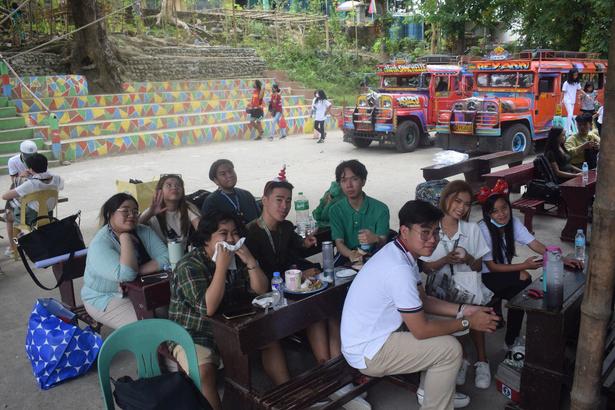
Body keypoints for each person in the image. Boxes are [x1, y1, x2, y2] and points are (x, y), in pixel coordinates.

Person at [341, 200, 499, 410]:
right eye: (425, 232)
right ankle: (435, 402)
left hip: (375, 336)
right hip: (369, 351)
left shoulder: (401, 253)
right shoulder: (398, 269)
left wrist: (464, 310)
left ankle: (433, 391)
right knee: (449, 349)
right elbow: (421, 330)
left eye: (436, 232)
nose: (432, 240)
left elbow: (422, 300)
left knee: (446, 322)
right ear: (405, 231)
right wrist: (468, 322)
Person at [169, 211, 288, 409]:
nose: (231, 240)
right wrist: (221, 268)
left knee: (270, 341)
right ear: (207, 239)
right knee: (204, 373)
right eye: (223, 234)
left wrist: (251, 262)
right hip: (194, 332)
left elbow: (261, 290)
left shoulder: (237, 256)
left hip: (230, 326)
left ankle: (288, 397)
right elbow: (207, 308)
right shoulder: (188, 266)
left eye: (234, 233)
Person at [245, 169, 342, 371]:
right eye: (279, 200)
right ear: (264, 200)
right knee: (316, 309)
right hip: (266, 300)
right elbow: (260, 278)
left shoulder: (286, 227)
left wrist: (306, 243)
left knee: (326, 306)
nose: (285, 206)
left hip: (291, 293)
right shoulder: (251, 233)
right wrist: (299, 275)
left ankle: (330, 367)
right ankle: (329, 368)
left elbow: (296, 245)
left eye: (288, 201)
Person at [476, 181, 583, 349]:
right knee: (523, 280)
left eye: (504, 208)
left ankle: (511, 341)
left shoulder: (513, 222)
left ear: (509, 207)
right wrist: (524, 266)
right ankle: (511, 340)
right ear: (488, 214)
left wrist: (561, 259)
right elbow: (492, 267)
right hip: (483, 276)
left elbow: (534, 244)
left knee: (520, 292)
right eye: (495, 211)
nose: (501, 214)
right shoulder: (483, 230)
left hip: (499, 273)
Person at [421, 180, 493, 390]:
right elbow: (426, 268)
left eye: (467, 204)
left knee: (475, 319)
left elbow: (478, 266)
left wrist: (468, 257)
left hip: (468, 286)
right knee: (453, 326)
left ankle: (482, 362)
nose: (461, 208)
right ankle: (462, 360)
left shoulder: (472, 229)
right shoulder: (432, 229)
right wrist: (445, 260)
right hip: (440, 291)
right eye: (457, 201)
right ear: (446, 199)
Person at [81, 193, 169, 330]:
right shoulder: (100, 243)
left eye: (135, 211)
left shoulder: (143, 231)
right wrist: (125, 238)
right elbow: (126, 275)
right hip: (105, 298)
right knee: (146, 328)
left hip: (141, 290)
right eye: (125, 210)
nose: (131, 215)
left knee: (170, 315)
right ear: (110, 214)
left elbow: (166, 257)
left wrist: (138, 271)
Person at [328, 160, 390, 267]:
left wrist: (376, 239)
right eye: (344, 180)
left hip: (375, 255)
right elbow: (339, 243)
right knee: (329, 275)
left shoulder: (381, 209)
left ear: (363, 181)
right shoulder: (335, 210)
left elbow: (383, 241)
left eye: (354, 179)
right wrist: (351, 254)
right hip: (347, 254)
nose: (349, 185)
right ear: (339, 184)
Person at [2, 153, 64, 228]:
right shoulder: (57, 179)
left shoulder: (31, 184)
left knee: (8, 216)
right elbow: (60, 187)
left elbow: (5, 196)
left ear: (30, 169)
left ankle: (17, 235)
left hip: (32, 218)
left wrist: (19, 178)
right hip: (49, 215)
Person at [139, 174, 200, 248]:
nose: (174, 187)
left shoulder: (188, 208)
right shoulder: (153, 210)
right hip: (159, 253)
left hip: (182, 252)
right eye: (169, 185)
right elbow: (135, 227)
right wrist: (150, 213)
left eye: (178, 185)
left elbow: (201, 230)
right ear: (160, 191)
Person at [4, 140, 37, 256]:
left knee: (24, 217)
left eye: (32, 156)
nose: (29, 158)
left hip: (35, 191)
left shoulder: (39, 159)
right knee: (9, 217)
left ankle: (32, 242)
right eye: (27, 156)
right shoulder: (13, 161)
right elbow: (14, 181)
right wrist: (22, 176)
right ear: (21, 153)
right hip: (19, 190)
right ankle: (13, 247)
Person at [201, 159, 260, 225]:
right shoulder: (211, 201)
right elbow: (207, 228)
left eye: (230, 171)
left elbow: (259, 219)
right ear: (216, 180)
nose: (229, 175)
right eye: (223, 174)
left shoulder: (247, 195)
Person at [560, 68, 582, 136]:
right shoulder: (566, 83)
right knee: (570, 114)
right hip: (567, 100)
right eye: (574, 75)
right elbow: (563, 92)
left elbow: (580, 90)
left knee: (570, 115)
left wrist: (586, 95)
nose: (575, 76)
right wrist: (560, 101)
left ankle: (566, 129)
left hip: (572, 101)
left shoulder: (577, 83)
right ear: (571, 75)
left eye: (576, 75)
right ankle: (568, 130)